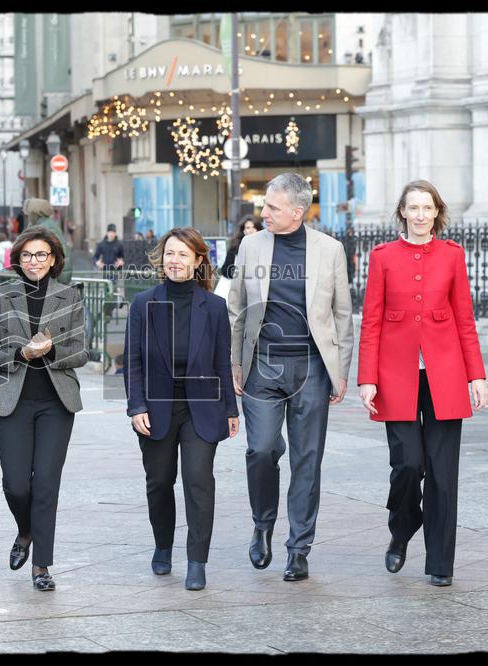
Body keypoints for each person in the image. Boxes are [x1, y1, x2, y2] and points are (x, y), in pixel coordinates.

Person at [357, 180, 488, 587]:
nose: (420, 215)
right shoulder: (382, 257)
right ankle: (401, 529)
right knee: (408, 464)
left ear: (436, 212)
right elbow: (371, 321)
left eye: (427, 208)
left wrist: (476, 374)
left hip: (445, 372)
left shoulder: (452, 255)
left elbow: (464, 318)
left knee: (443, 474)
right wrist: (367, 378)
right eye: (413, 208)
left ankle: (440, 564)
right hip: (395, 374)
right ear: (402, 212)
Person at [227, 172, 354, 582]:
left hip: (312, 367)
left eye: (272, 207)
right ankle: (262, 523)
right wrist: (234, 363)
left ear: (297, 212)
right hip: (262, 366)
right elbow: (236, 309)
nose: (263, 212)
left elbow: (341, 315)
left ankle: (299, 548)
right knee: (261, 449)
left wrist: (340, 371)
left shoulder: (330, 250)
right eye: (265, 205)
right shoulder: (251, 245)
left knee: (307, 459)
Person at [124, 227, 239, 591]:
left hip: (201, 408)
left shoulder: (214, 307)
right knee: (159, 482)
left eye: (183, 254)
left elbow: (222, 362)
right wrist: (136, 406)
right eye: (170, 253)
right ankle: (163, 546)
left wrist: (231, 409)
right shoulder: (143, 303)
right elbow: (133, 361)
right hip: (156, 408)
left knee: (198, 480)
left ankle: (197, 561)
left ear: (198, 260)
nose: (175, 261)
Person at [0, 227, 88, 591]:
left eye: (41, 255)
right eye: (26, 255)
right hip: (12, 400)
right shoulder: (1, 296)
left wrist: (52, 351)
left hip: (57, 402)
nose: (34, 261)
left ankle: (42, 566)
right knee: (16, 484)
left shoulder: (70, 296)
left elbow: (81, 352)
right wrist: (19, 353)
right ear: (17, 260)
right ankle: (25, 530)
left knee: (46, 485)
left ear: (53, 259)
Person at [24, 198, 72, 283]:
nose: (28, 216)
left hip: (51, 281)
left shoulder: (45, 228)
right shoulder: (45, 226)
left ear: (35, 213)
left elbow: (61, 254)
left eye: (29, 214)